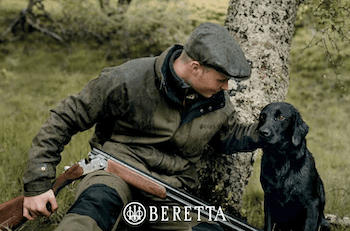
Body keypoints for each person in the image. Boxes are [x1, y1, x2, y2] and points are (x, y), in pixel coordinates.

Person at [22, 22, 259, 231]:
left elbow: (226, 138)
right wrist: (38, 185)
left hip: (171, 194)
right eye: (222, 79)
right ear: (195, 68)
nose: (227, 87)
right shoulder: (127, 78)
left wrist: (265, 134)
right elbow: (65, 118)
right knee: (94, 209)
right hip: (114, 175)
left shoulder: (218, 102)